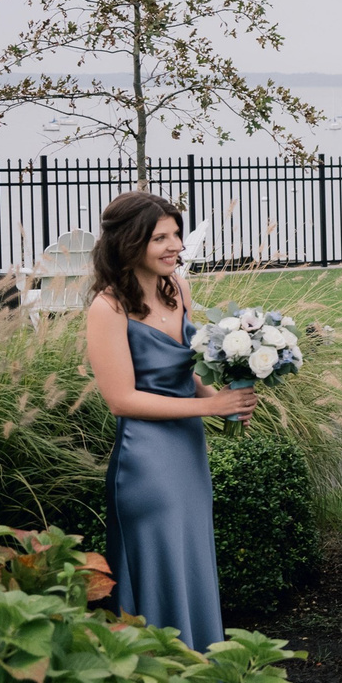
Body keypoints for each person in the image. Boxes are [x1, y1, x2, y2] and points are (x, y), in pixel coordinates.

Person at [84, 191, 252, 649]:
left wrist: (225, 400)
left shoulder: (177, 289)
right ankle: (159, 680)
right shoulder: (108, 308)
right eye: (160, 237)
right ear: (129, 242)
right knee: (158, 561)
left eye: (176, 234)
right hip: (146, 461)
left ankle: (201, 670)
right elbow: (121, 400)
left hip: (187, 451)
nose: (174, 245)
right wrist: (208, 408)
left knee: (190, 555)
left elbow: (190, 367)